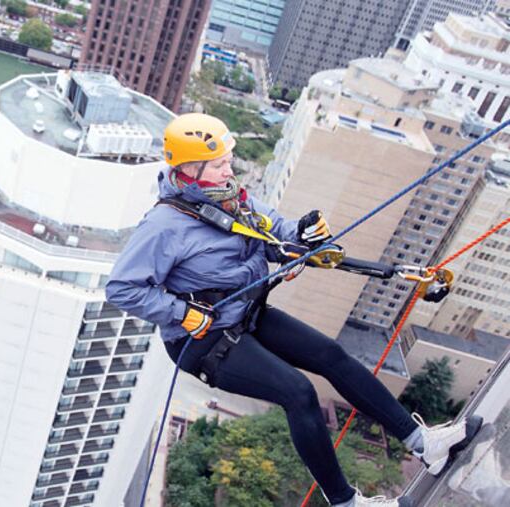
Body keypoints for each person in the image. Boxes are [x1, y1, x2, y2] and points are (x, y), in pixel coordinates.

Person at [106, 113, 482, 507]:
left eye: (229, 160)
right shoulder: (163, 226)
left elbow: (271, 231)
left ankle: (424, 443)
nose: (228, 169)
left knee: (331, 356)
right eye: (218, 164)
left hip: (246, 313)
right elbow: (121, 288)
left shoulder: (232, 197)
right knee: (298, 393)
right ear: (189, 169)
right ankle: (346, 504)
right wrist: (181, 314)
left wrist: (302, 236)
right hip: (203, 339)